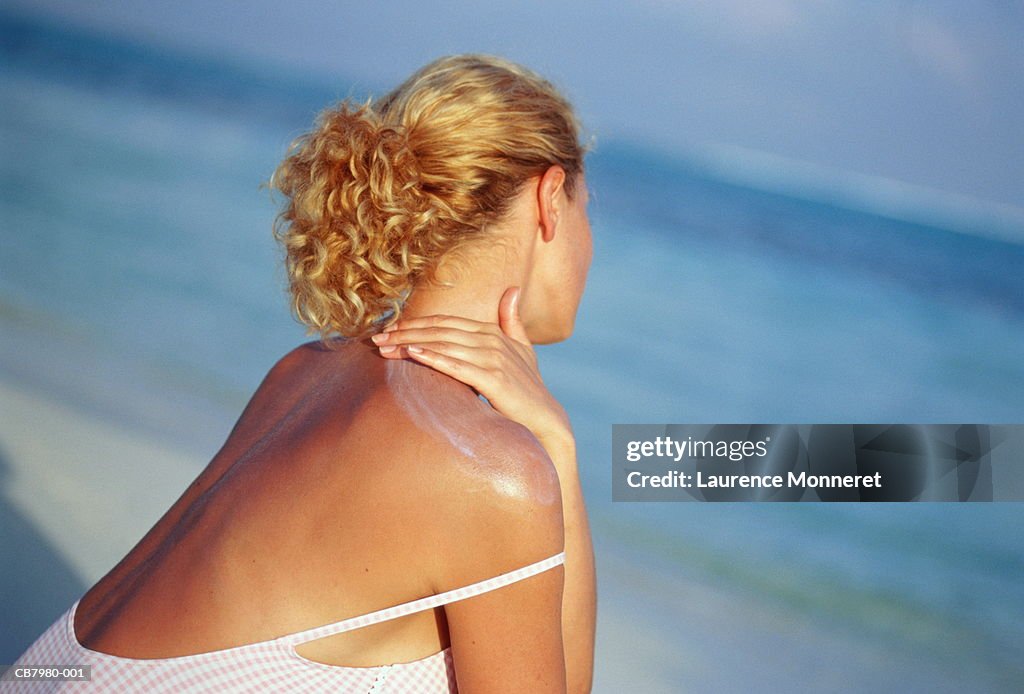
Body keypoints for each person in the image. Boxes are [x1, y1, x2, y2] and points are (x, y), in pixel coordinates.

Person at [2, 54, 596, 693]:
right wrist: (550, 451)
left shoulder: (306, 369)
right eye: (588, 208)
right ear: (549, 200)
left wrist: (554, 443)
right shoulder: (487, 468)